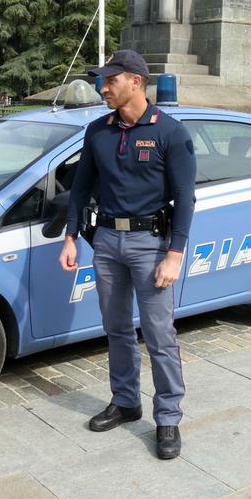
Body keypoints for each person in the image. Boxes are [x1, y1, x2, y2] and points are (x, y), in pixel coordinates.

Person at [59, 49, 196, 460]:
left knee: (159, 335)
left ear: (135, 82)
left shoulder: (170, 133)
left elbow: (185, 199)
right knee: (116, 328)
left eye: (110, 81)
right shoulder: (97, 131)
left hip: (150, 246)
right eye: (103, 82)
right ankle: (125, 401)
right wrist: (70, 236)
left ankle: (168, 417)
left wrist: (175, 254)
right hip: (105, 242)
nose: (103, 88)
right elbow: (81, 187)